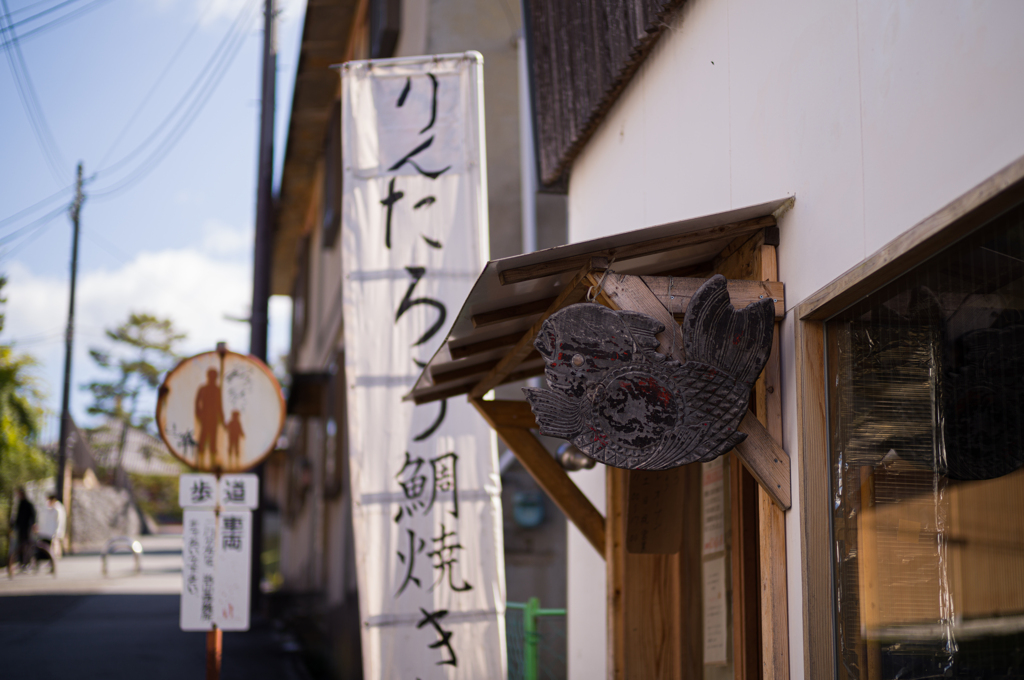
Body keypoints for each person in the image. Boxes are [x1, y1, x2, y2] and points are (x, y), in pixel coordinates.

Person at [37, 494, 66, 560]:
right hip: (51, 531)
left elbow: (59, 521)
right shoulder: (52, 507)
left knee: (54, 547)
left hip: (54, 531)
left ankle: (54, 559)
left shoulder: (57, 508)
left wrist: (57, 532)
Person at [13, 488, 35, 569]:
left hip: (27, 528)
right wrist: (14, 525)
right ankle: (21, 562)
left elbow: (33, 515)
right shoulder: (20, 504)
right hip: (21, 528)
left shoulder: (28, 504)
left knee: (27, 545)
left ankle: (28, 562)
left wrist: (33, 524)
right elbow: (18, 517)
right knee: (20, 545)